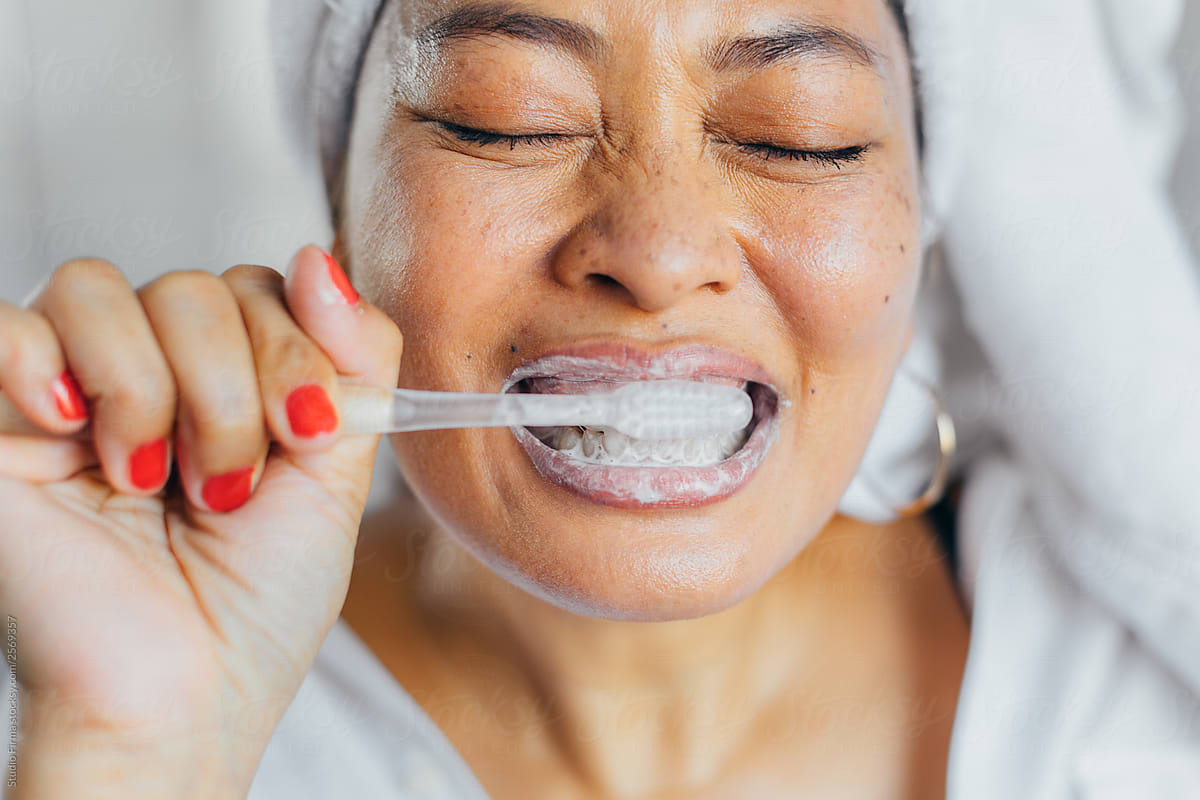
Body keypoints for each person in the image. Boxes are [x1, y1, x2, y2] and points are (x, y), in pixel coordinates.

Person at [2, 1, 1198, 798]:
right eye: (507, 116)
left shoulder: (1128, 688)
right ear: (340, 191)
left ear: (929, 229)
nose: (659, 248)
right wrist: (127, 757)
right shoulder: (138, 682)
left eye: (805, 137)